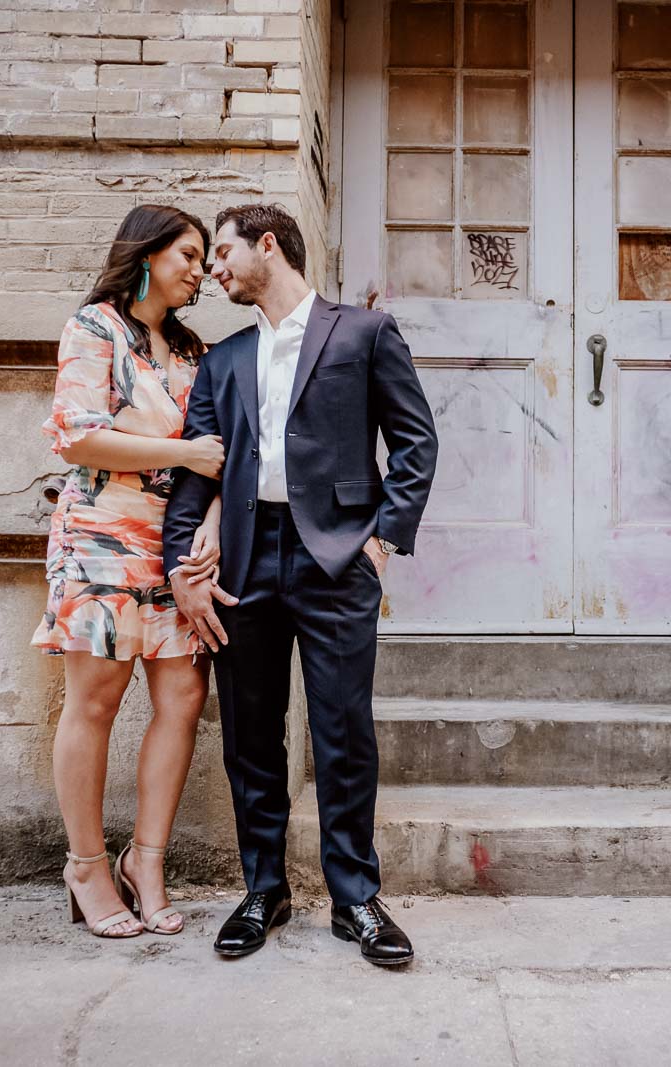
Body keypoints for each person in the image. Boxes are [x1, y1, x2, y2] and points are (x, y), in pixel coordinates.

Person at [162, 203, 437, 966]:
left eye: (223, 252)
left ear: (269, 245)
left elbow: (416, 441)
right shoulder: (220, 361)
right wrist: (180, 568)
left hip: (338, 557)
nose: (213, 269)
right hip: (244, 563)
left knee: (343, 730)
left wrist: (382, 543)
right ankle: (264, 889)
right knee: (252, 735)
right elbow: (196, 476)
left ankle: (355, 897)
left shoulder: (364, 333)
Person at [33, 204, 228, 939]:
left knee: (181, 696)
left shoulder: (192, 351)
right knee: (97, 702)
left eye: (204, 255)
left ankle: (146, 862)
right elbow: (78, 437)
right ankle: (85, 863)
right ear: (144, 253)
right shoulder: (94, 329)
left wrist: (207, 531)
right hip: (102, 539)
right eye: (186, 252)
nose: (199, 268)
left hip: (174, 545)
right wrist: (182, 457)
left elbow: (219, 462)